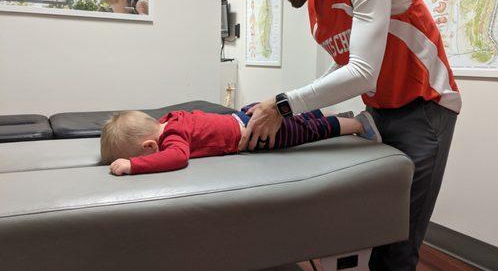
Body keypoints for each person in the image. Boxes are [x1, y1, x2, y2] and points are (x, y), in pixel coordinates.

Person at [242, 0, 461, 271]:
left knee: (400, 244)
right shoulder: (315, 7)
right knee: (377, 227)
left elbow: (361, 73)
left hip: (426, 109)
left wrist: (283, 104)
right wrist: (298, 111)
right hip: (381, 110)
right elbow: (346, 65)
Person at [100, 105, 381, 176]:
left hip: (252, 135)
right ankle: (338, 114)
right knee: (301, 118)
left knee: (308, 131)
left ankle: (357, 124)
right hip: (243, 116)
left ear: (150, 147)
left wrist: (134, 165)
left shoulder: (174, 137)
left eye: (144, 154)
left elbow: (177, 158)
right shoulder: (172, 119)